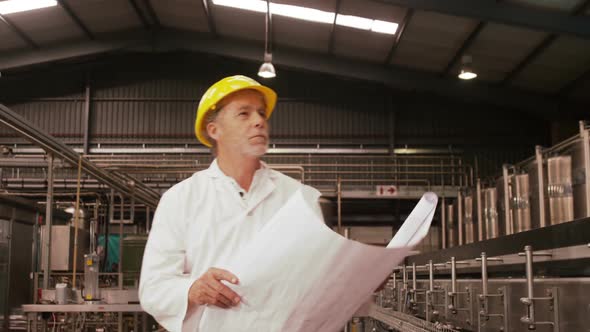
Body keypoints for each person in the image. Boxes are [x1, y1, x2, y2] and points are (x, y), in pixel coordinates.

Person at [138, 75, 322, 332]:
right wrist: (193, 289)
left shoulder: (299, 198)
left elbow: (320, 280)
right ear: (214, 130)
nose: (259, 121)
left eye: (261, 113)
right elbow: (153, 287)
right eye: (244, 114)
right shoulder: (181, 199)